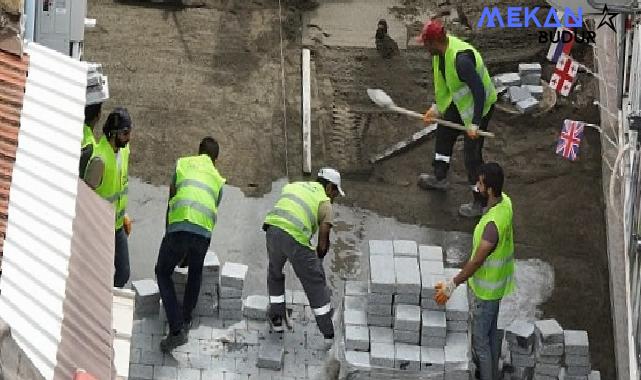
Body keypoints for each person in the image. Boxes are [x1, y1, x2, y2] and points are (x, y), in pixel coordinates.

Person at [433, 162, 514, 380]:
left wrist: (452, 284)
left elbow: (477, 261)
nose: (476, 187)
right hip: (496, 289)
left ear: (489, 189)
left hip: (485, 294)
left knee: (480, 344)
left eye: (480, 184)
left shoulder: (491, 227)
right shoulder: (505, 203)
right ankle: (494, 374)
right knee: (490, 334)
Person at [416, 19, 497, 217]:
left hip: (480, 108)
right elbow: (445, 86)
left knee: (471, 156)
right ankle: (440, 177)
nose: (424, 47)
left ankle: (480, 202)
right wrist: (436, 108)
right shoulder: (439, 55)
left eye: (426, 43)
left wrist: (476, 123)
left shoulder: (461, 60)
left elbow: (480, 93)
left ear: (435, 41)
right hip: (461, 105)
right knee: (444, 134)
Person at [155, 137, 225, 353]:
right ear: (215, 160)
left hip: (179, 225)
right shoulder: (218, 179)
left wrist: (169, 234)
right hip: (203, 232)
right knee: (196, 271)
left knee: (162, 272)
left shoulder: (182, 164)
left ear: (198, 151)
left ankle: (176, 330)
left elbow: (172, 200)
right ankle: (185, 319)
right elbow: (211, 207)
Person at [262, 168, 345, 346]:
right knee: (315, 286)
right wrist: (318, 260)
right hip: (296, 238)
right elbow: (322, 243)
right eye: (335, 193)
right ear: (330, 187)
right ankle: (329, 336)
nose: (334, 198)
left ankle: (277, 319)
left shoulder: (295, 185)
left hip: (272, 228)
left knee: (275, 273)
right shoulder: (325, 203)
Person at [82, 107, 133, 288]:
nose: (129, 137)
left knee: (123, 272)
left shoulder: (124, 152)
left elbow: (120, 186)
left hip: (117, 227)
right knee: (97, 274)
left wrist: (124, 214)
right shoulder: (99, 160)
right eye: (125, 133)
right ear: (113, 134)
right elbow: (86, 198)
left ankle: (108, 297)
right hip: (100, 229)